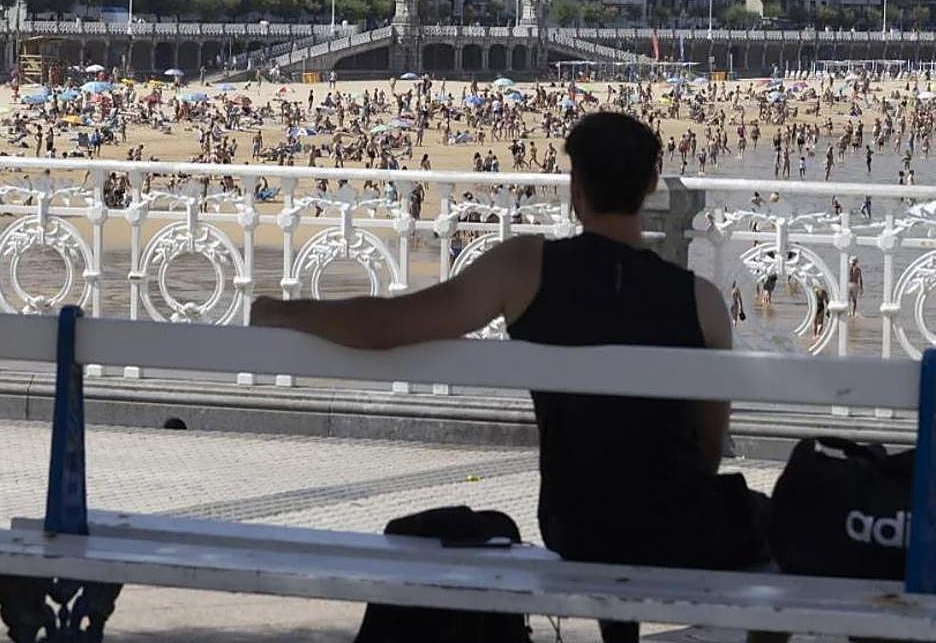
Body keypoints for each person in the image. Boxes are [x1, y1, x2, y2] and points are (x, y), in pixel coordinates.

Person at [251, 113, 770, 643]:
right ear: (651, 184)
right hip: (681, 530)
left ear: (575, 185)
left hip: (574, 524)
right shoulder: (701, 301)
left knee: (620, 508)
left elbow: (389, 324)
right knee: (795, 530)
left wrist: (285, 312)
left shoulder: (525, 269)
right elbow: (708, 452)